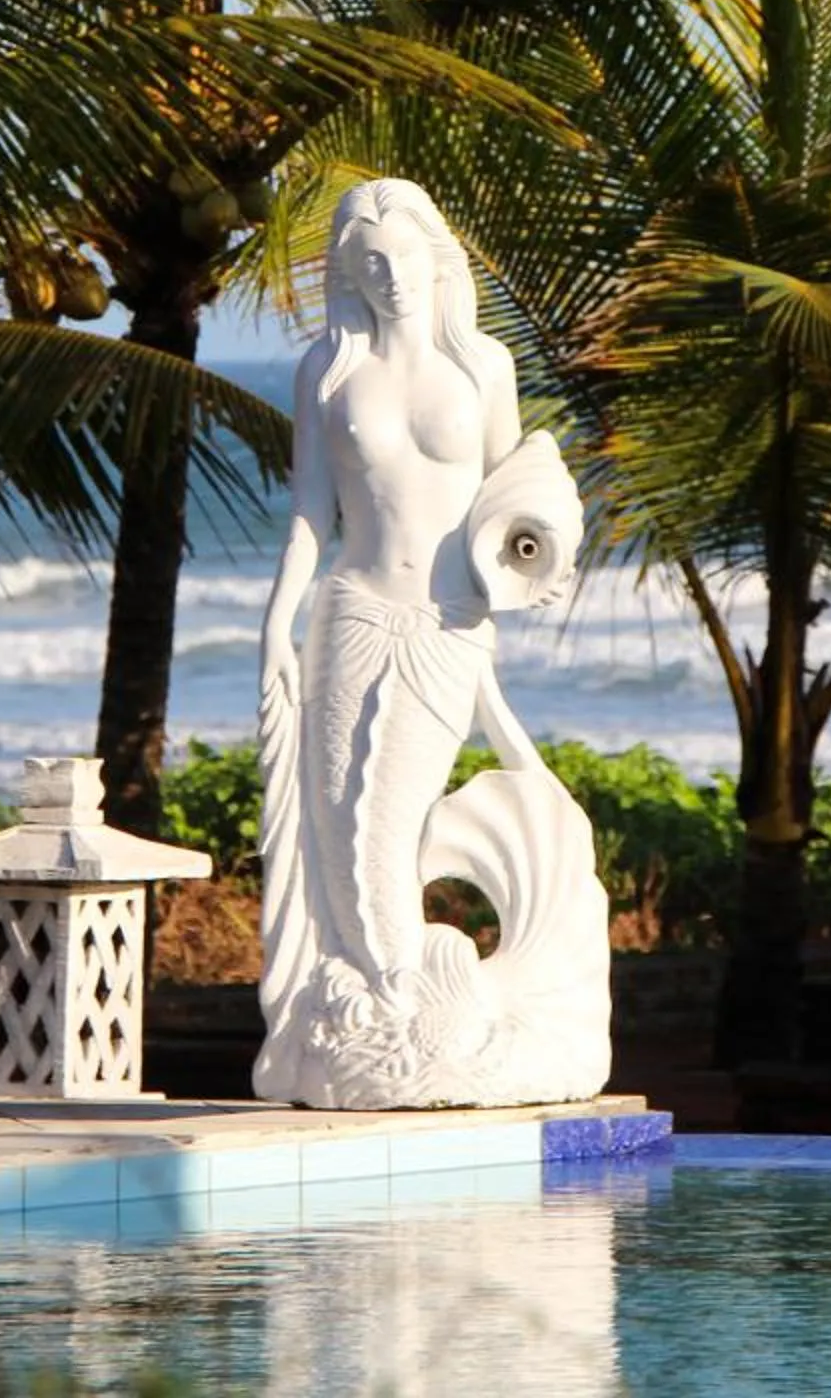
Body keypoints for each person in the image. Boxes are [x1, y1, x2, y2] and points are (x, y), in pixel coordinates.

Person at [254, 178, 609, 1108]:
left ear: (435, 258)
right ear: (347, 273)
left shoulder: (483, 366)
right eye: (366, 262)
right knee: (339, 826)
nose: (386, 275)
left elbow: (519, 485)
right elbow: (308, 514)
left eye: (400, 256)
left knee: (389, 821)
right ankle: (385, 1017)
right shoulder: (327, 371)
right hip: (352, 611)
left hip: (446, 624)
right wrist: (277, 620)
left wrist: (531, 551)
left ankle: (412, 1014)